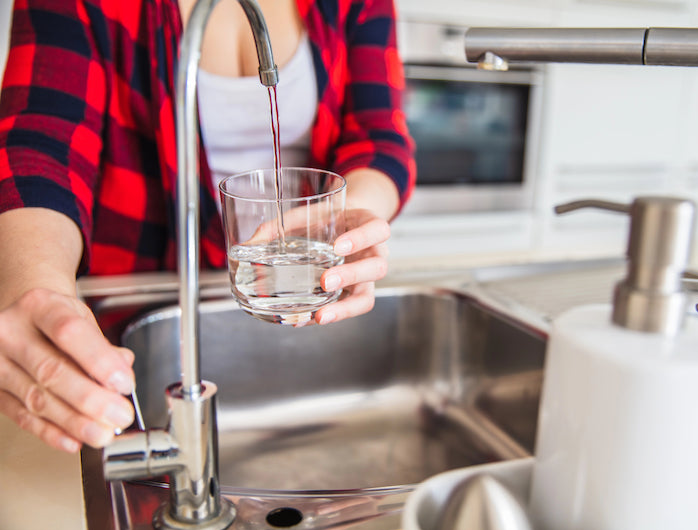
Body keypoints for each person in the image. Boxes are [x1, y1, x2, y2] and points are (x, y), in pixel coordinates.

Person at [0, 0, 415, 454]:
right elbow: (41, 142)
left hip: (308, 288)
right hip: (134, 308)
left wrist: (350, 215)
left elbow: (380, 137)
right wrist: (35, 284)